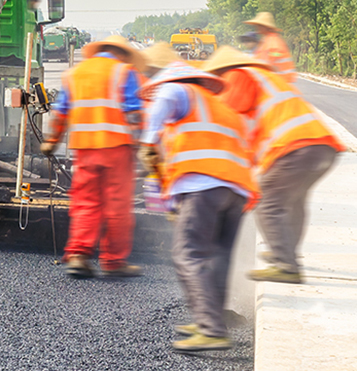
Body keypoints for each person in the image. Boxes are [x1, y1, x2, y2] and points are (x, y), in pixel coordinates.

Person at [139, 62, 259, 352]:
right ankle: (213, 318)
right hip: (237, 190)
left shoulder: (178, 91)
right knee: (219, 257)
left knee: (188, 254)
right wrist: (172, 201)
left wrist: (147, 142)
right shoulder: (220, 108)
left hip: (204, 186)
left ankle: (211, 328)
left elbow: (163, 106)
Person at [200, 46, 346, 283]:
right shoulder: (266, 79)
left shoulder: (239, 75)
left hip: (297, 147)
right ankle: (287, 254)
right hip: (321, 148)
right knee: (294, 202)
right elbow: (250, 133)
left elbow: (224, 115)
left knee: (267, 200)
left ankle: (284, 264)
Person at [41, 35, 146, 278]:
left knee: (85, 202)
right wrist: (139, 145)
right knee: (117, 205)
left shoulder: (75, 74)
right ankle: (113, 260)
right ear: (121, 53)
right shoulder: (124, 72)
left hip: (85, 150)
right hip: (117, 148)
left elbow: (61, 112)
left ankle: (78, 254)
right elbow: (133, 113)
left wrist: (51, 141)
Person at [241, 12, 297, 83]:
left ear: (265, 26)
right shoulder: (266, 41)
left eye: (258, 25)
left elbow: (268, 63)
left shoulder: (273, 43)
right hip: (275, 82)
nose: (256, 28)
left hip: (277, 83)